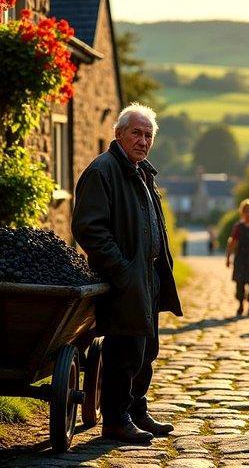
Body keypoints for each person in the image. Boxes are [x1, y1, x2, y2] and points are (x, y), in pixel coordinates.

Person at [72, 103, 183, 443]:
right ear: (119, 134)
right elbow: (89, 229)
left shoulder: (142, 172)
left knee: (147, 349)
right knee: (125, 350)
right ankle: (116, 419)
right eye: (136, 133)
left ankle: (136, 409)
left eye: (148, 135)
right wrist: (121, 270)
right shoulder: (103, 171)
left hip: (146, 278)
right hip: (123, 280)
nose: (143, 140)